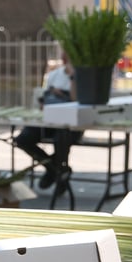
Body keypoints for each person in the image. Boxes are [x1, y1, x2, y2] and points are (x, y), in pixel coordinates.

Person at [14, 50, 82, 192]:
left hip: (71, 124)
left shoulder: (82, 75)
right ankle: (55, 169)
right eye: (63, 53)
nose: (63, 56)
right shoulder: (54, 75)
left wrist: (73, 77)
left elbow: (77, 101)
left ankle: (58, 174)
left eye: (67, 53)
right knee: (22, 139)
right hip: (49, 121)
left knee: (62, 138)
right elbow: (44, 102)